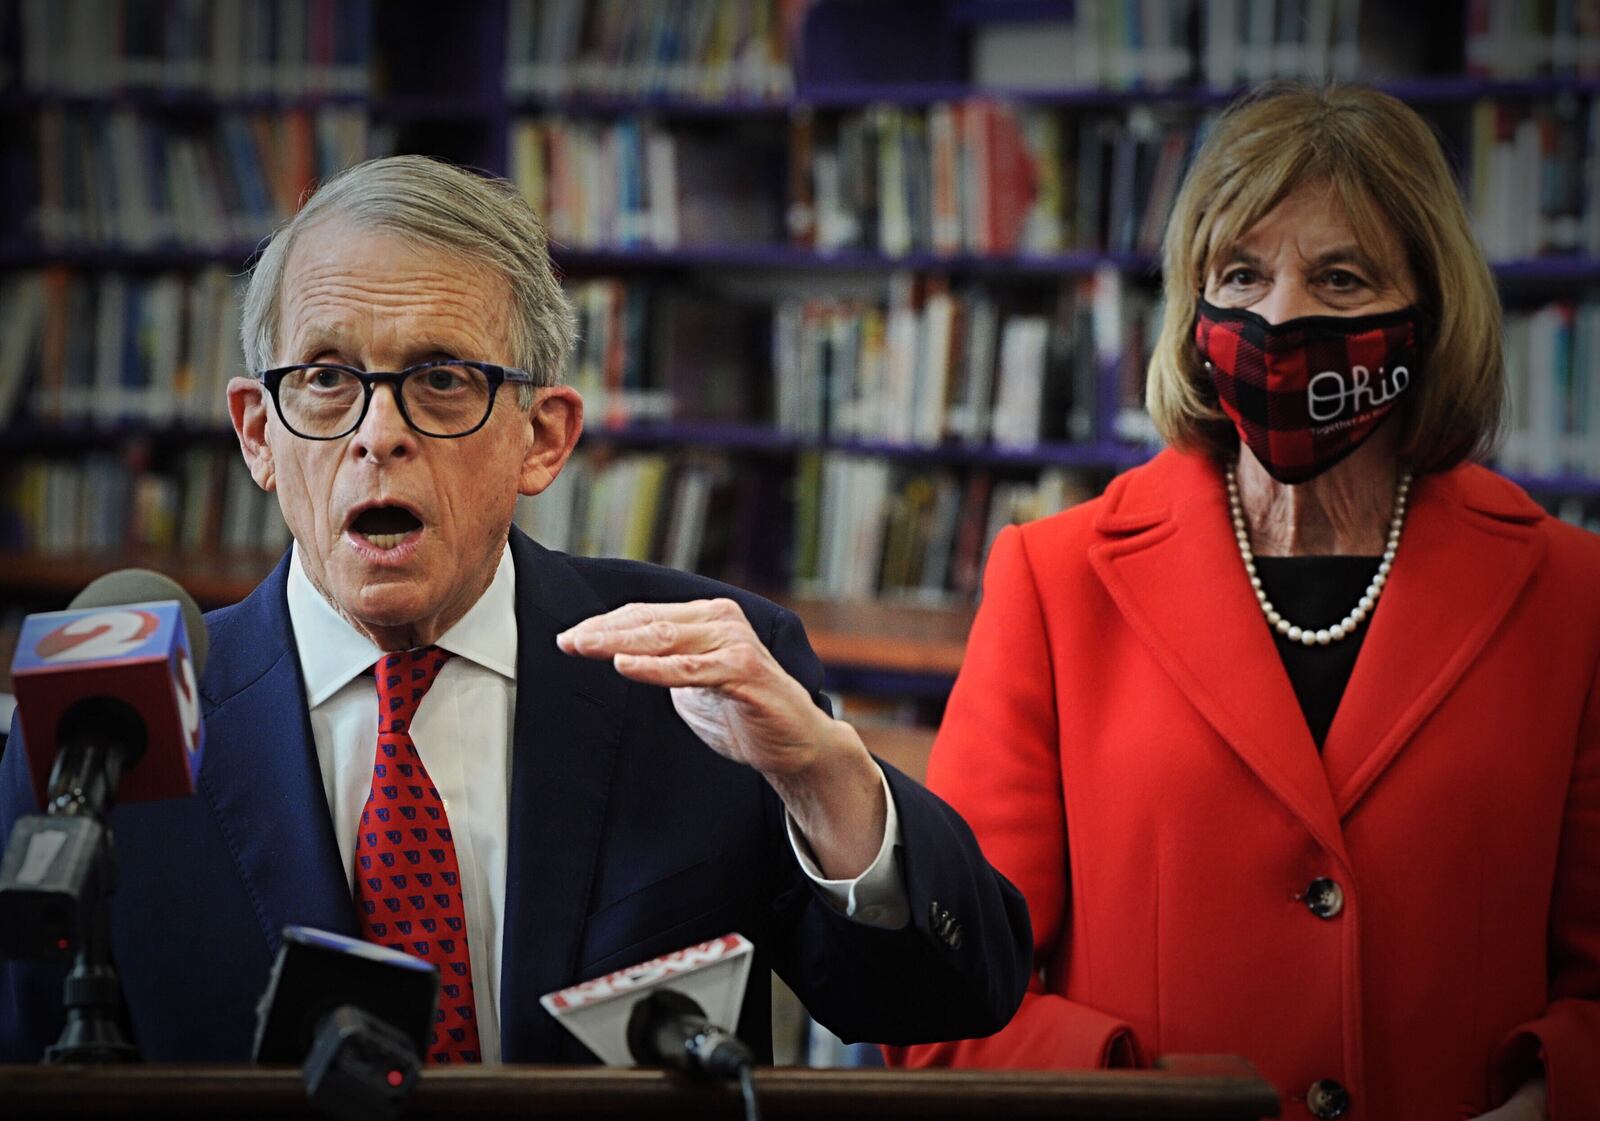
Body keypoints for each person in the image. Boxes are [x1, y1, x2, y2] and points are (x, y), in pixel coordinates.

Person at [0, 155, 1030, 1064]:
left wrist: (824, 776)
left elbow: (947, 998)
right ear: (258, 433)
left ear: (542, 436)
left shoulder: (706, 674)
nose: (378, 434)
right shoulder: (103, 736)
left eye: (441, 379)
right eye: (324, 378)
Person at [887, 83, 1599, 1121]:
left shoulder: (1569, 595)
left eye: (1340, 277)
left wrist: (1540, 1100)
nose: (1277, 318)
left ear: (1430, 309)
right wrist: (1141, 1101)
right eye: (1241, 273)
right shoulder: (1055, 579)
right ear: (1192, 301)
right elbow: (946, 996)